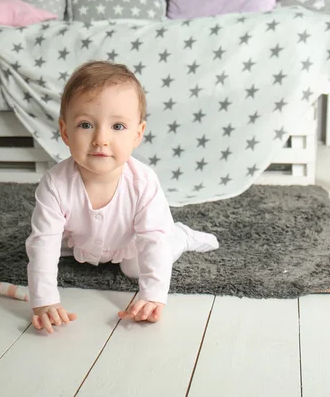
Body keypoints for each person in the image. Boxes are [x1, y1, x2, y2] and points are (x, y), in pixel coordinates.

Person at [26, 60, 218, 333]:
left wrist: (152, 295)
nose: (101, 139)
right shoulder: (55, 183)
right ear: (65, 132)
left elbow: (152, 239)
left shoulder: (143, 182)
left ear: (137, 134)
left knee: (137, 266)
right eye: (85, 125)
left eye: (117, 127)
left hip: (130, 242)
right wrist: (44, 302)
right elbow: (43, 242)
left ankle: (182, 236)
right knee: (45, 249)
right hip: (80, 239)